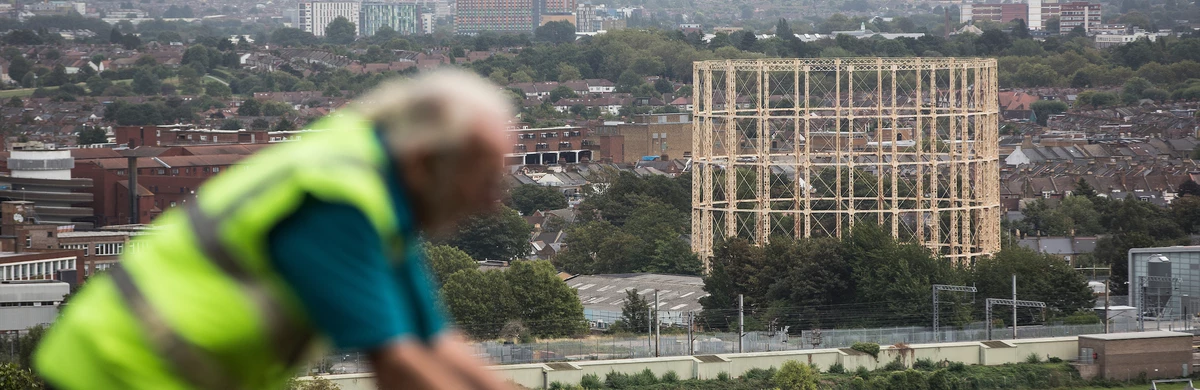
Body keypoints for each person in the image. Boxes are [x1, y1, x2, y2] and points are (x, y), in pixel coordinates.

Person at [35, 70, 516, 390]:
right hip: (116, 369)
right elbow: (397, 365)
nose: (493, 203)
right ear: (426, 162)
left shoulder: (382, 192)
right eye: (485, 179)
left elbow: (433, 338)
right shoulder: (337, 200)